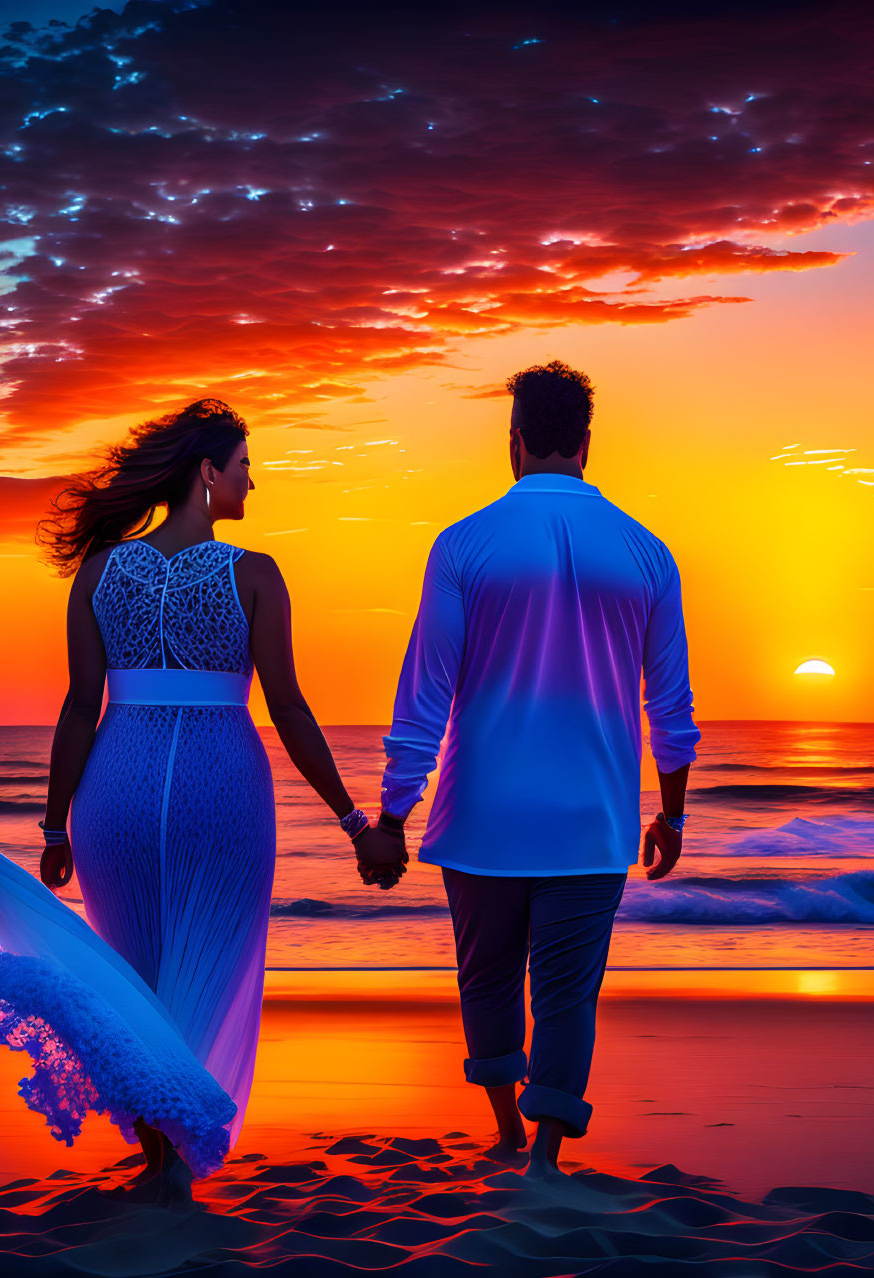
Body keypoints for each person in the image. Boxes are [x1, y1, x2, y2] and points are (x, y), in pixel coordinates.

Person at [0, 398, 404, 1207]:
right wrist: (355, 824)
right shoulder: (255, 574)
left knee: (133, 973)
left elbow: (78, 708)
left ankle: (157, 1154)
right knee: (208, 967)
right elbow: (291, 710)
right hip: (220, 792)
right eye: (243, 466)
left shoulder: (99, 572)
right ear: (208, 473)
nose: (251, 481)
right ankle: (174, 1156)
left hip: (114, 794)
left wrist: (55, 824)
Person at [354, 360, 699, 1180]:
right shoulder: (647, 552)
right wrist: (672, 813)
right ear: (585, 444)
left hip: (480, 816)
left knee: (486, 980)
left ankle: (506, 1129)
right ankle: (545, 1152)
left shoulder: (464, 544)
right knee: (567, 993)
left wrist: (394, 816)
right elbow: (671, 704)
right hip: (590, 818)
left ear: (512, 442)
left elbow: (424, 691)